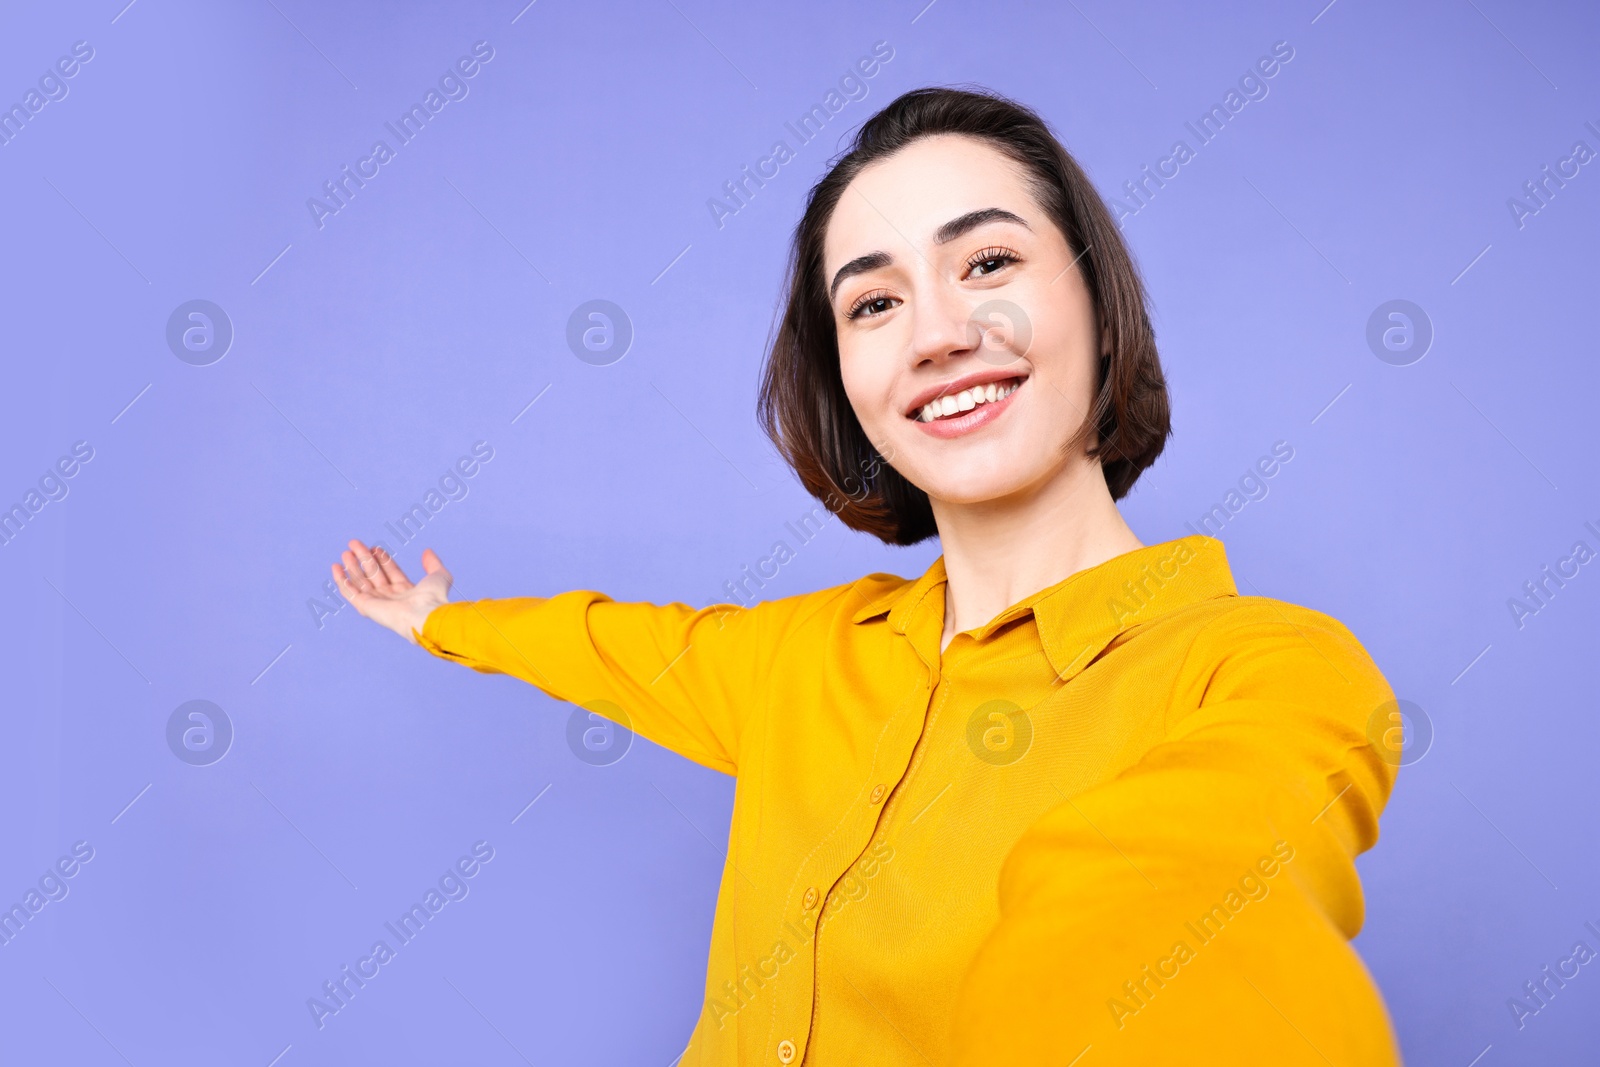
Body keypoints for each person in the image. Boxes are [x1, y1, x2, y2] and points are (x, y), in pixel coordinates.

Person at [332, 87, 1402, 1066]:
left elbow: (1178, 893)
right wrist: (439, 621)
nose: (936, 333)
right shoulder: (796, 656)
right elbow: (606, 645)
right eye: (872, 304)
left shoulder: (1266, 672)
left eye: (987, 264)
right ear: (845, 379)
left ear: (1095, 298)